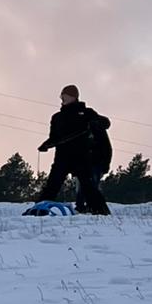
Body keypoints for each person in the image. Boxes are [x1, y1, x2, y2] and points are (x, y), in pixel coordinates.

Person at [37, 85, 112, 215]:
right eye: (61, 96)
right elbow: (54, 137)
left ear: (73, 97)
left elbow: (106, 123)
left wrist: (96, 122)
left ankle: (101, 211)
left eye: (65, 96)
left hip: (81, 157)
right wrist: (46, 145)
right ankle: (39, 209)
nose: (62, 98)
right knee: (52, 185)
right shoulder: (57, 117)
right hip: (62, 158)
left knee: (88, 186)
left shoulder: (86, 113)